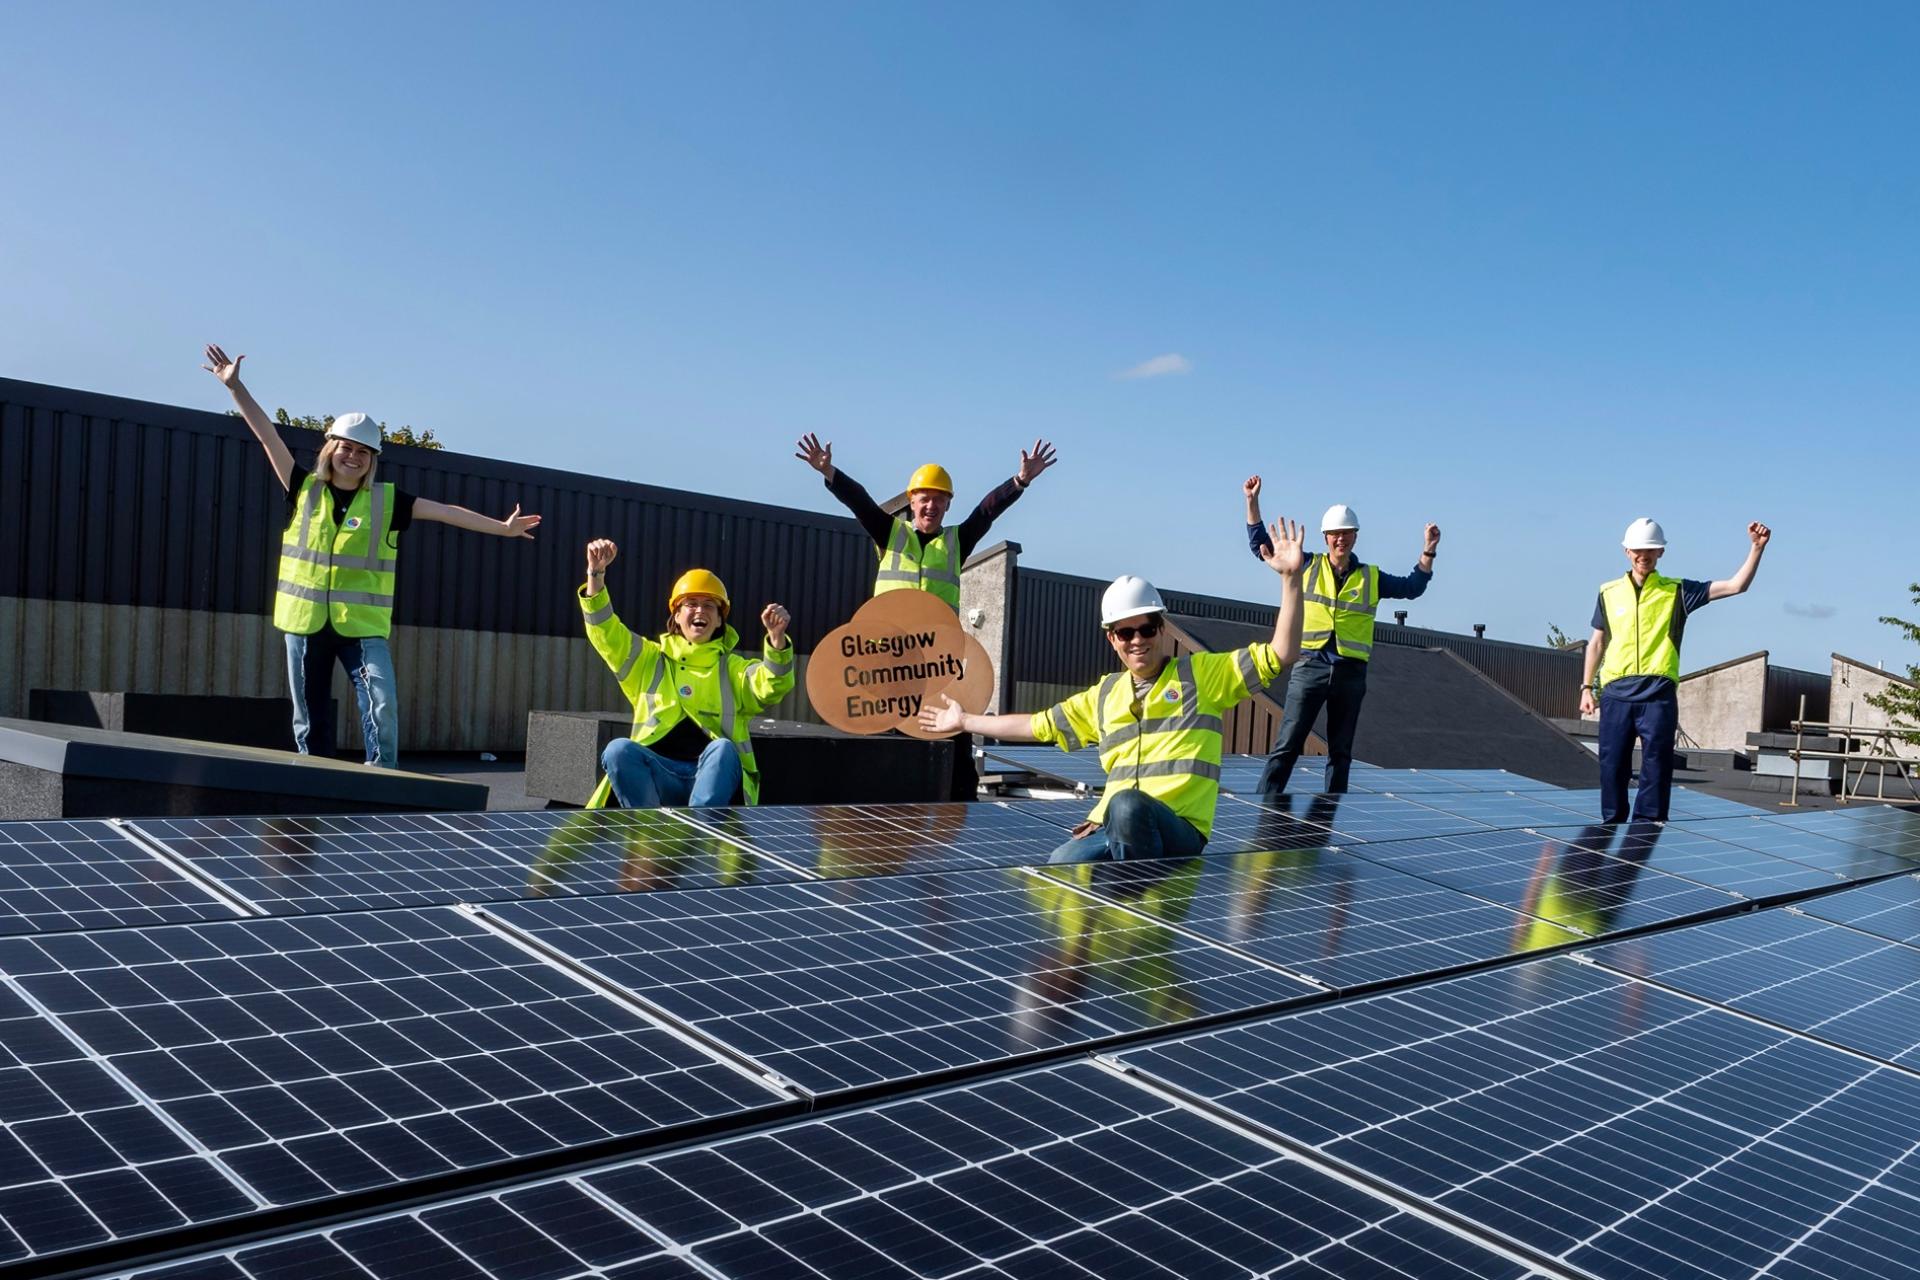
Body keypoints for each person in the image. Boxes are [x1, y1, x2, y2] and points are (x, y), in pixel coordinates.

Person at [203, 344, 540, 767]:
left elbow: (447, 513)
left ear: (372, 460)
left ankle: (381, 776)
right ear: (331, 449)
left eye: (363, 452)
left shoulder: (388, 502)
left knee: (381, 701)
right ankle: (315, 778)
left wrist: (503, 528)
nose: (353, 456)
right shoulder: (302, 486)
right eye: (346, 447)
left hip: (360, 628)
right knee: (309, 715)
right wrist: (235, 387)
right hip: (305, 625)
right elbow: (266, 433)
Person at [920, 520, 1307, 862]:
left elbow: (1282, 652)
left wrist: (1291, 581)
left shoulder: (1202, 675)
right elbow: (1038, 725)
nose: (1137, 640)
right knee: (1061, 863)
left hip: (1179, 830)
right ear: (1112, 639)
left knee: (1125, 806)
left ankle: (1131, 911)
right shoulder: (1106, 695)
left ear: (1161, 629)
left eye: (1146, 629)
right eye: (1125, 632)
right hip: (1116, 827)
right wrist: (965, 720)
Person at [1247, 477, 1439, 797]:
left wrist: (1428, 550)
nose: (1340, 539)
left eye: (1346, 533)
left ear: (1355, 536)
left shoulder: (1371, 577)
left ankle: (1331, 821)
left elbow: (1412, 587)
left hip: (1351, 674)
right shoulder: (1306, 564)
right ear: (1326, 537)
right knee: (1288, 745)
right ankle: (1261, 808)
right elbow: (1262, 548)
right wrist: (1252, 503)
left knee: (1340, 753)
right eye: (1335, 534)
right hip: (1310, 667)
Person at [579, 539, 795, 809]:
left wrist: (776, 641)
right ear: (677, 615)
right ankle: (649, 833)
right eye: (691, 604)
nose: (699, 611)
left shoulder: (733, 668)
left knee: (724, 750)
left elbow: (772, 684)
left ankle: (698, 831)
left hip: (711, 780)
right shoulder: (649, 659)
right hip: (657, 777)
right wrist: (595, 574)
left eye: (709, 606)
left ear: (718, 620)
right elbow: (605, 632)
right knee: (618, 750)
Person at [1581, 518, 1770, 823]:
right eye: (1639, 550)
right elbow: (1597, 643)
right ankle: (1611, 826)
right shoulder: (1608, 592)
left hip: (1658, 695)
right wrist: (1587, 687)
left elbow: (1737, 585)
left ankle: (1646, 830)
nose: (1644, 555)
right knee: (1611, 764)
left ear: (1661, 554)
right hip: (1615, 693)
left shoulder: (1678, 591)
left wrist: (1756, 549)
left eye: (1651, 550)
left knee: (1656, 764)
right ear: (1627, 551)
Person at [793, 433, 1059, 610]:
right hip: (886, 654)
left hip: (935, 658)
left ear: (948, 505)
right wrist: (829, 471)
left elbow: (986, 511)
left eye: (939, 499)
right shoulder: (890, 533)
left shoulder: (957, 542)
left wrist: (1020, 481)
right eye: (925, 499)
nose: (931, 505)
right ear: (912, 503)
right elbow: (859, 501)